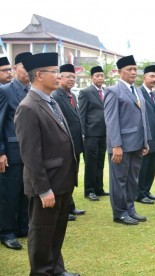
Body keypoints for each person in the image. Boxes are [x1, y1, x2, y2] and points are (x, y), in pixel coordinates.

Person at [15, 52, 79, 276]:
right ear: (39, 75)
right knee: (42, 234)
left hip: (62, 180)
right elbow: (31, 155)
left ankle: (56, 268)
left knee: (57, 231)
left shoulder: (51, 100)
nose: (59, 76)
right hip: (46, 185)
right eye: (54, 72)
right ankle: (42, 271)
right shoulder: (28, 107)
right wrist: (43, 190)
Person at [104, 55, 150, 225]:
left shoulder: (137, 90)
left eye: (134, 69)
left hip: (137, 143)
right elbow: (111, 120)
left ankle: (130, 208)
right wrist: (116, 145)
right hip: (121, 145)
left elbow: (143, 117)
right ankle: (120, 212)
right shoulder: (113, 91)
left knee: (132, 179)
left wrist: (145, 141)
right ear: (119, 72)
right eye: (129, 69)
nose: (133, 72)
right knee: (119, 180)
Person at [0, 52, 32, 250]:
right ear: (15, 69)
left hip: (29, 151)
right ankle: (7, 231)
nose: (27, 71)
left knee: (25, 192)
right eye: (23, 67)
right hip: (11, 151)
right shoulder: (5, 91)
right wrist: (1, 151)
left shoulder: (32, 90)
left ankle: (22, 226)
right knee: (9, 194)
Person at [52, 64, 85, 221]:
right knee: (64, 178)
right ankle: (63, 210)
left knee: (72, 176)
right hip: (64, 146)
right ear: (60, 78)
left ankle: (70, 206)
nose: (71, 79)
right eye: (68, 77)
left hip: (75, 145)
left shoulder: (72, 96)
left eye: (73, 77)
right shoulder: (56, 96)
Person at [78, 65, 109, 201]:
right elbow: (81, 114)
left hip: (104, 133)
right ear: (92, 78)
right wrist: (83, 134)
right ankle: (89, 190)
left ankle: (99, 188)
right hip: (90, 134)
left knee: (100, 161)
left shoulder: (106, 92)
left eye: (102, 75)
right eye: (97, 76)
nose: (100, 78)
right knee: (91, 163)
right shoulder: (86, 92)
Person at [136, 65, 155, 204]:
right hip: (144, 137)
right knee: (142, 168)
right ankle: (139, 193)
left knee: (151, 166)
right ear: (144, 77)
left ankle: (146, 190)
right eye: (151, 76)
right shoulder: (138, 93)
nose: (154, 79)